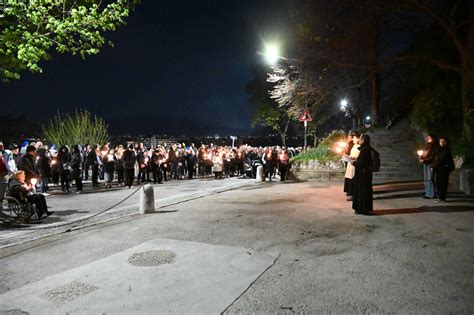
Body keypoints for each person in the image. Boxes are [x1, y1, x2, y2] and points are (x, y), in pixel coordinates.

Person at [351, 134, 373, 215]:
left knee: (362, 192)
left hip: (362, 176)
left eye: (360, 139)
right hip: (364, 175)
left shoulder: (365, 150)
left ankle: (362, 209)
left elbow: (361, 163)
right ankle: (362, 208)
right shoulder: (366, 149)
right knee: (364, 192)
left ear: (363, 140)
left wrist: (354, 162)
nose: (359, 140)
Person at [431, 137, 454, 202]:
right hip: (439, 168)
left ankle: (441, 197)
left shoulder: (446, 149)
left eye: (443, 141)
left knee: (442, 183)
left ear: (446, 142)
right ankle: (440, 197)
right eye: (440, 141)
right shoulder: (441, 149)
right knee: (439, 183)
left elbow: (441, 160)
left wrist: (433, 166)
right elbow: (437, 158)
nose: (441, 142)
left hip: (443, 169)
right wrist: (432, 165)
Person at [419, 134, 440, 199]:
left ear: (433, 139)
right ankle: (428, 192)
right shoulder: (428, 146)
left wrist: (424, 160)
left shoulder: (435, 146)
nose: (428, 138)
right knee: (426, 179)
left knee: (430, 179)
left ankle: (432, 194)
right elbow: (425, 154)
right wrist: (421, 157)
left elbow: (433, 157)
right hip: (426, 164)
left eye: (429, 138)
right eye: (428, 137)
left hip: (431, 164)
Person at [344, 132, 361, 201]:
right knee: (350, 180)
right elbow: (352, 154)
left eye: (354, 138)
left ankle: (354, 195)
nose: (353, 139)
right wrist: (347, 156)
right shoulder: (354, 146)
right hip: (350, 164)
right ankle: (351, 194)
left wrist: (352, 158)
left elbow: (358, 156)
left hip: (354, 165)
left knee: (353, 181)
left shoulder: (359, 147)